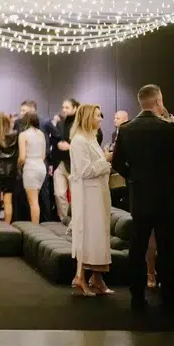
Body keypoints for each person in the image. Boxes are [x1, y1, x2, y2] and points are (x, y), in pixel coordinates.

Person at [113, 84, 174, 313]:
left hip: (140, 199)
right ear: (159, 101)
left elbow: (117, 163)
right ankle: (169, 299)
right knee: (168, 251)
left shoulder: (126, 129)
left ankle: (137, 299)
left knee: (137, 251)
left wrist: (133, 178)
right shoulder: (166, 128)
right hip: (166, 199)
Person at [69, 104, 114, 297]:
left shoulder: (92, 139)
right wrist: (106, 160)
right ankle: (80, 276)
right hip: (88, 197)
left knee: (100, 237)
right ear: (88, 117)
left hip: (99, 195)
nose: (101, 118)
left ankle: (97, 277)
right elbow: (85, 171)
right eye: (97, 115)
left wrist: (105, 160)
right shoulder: (79, 141)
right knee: (89, 236)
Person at [18, 111, 47, 224]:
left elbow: (22, 157)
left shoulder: (23, 135)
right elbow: (43, 155)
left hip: (30, 168)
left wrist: (18, 165)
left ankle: (35, 229)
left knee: (33, 202)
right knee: (36, 199)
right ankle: (36, 226)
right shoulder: (41, 134)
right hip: (41, 167)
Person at [109, 110, 131, 210]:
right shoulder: (114, 134)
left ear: (125, 120)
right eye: (115, 118)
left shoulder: (130, 132)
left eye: (117, 118)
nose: (114, 120)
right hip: (116, 166)